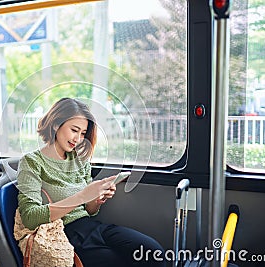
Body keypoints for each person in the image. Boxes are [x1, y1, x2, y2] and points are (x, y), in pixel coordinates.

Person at [17, 98, 165, 267]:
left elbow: (89, 210)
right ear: (56, 124)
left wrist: (95, 199)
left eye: (82, 133)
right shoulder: (32, 162)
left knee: (153, 253)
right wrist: (81, 196)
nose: (78, 139)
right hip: (63, 235)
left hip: (91, 227)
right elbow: (30, 217)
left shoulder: (80, 160)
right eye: (74, 130)